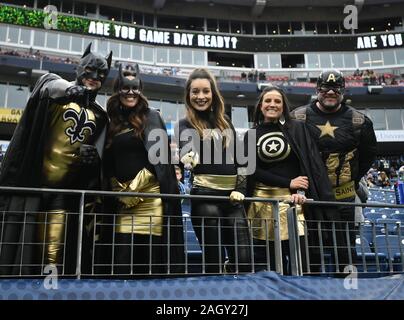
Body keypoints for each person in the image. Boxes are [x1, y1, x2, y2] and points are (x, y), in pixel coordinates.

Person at [0, 43, 111, 275]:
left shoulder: (100, 116)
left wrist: (93, 159)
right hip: (32, 184)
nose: (94, 77)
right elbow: (49, 86)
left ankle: (49, 291)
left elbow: (98, 164)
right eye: (89, 70)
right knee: (20, 247)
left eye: (101, 74)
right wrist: (68, 90)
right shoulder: (54, 87)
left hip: (65, 192)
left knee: (53, 252)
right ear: (79, 68)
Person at [245, 86, 338, 275]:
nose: (272, 104)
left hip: (293, 205)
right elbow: (251, 170)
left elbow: (307, 168)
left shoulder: (296, 129)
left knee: (300, 262)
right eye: (268, 101)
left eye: (277, 101)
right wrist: (288, 183)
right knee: (268, 266)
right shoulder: (250, 134)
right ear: (260, 106)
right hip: (261, 205)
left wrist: (299, 192)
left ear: (283, 106)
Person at [291, 69, 377, 268]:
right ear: (317, 90)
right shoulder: (298, 117)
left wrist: (350, 178)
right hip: (310, 199)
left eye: (336, 89)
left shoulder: (360, 121)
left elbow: (367, 157)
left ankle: (347, 294)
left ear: (343, 91)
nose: (330, 92)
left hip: (344, 199)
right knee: (309, 253)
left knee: (345, 252)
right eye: (326, 88)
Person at [103, 63, 184, 275]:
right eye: (125, 88)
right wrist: (118, 189)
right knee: (121, 261)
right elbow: (108, 161)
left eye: (135, 88)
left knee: (149, 262)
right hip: (123, 201)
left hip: (149, 200)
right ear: (117, 90)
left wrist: (135, 188)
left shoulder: (152, 116)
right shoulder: (111, 122)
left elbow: (160, 159)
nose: (130, 93)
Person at [175, 68, 251, 274]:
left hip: (232, 199)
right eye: (195, 92)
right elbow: (186, 146)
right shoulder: (184, 124)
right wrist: (188, 156)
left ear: (213, 93)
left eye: (205, 91)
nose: (201, 97)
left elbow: (241, 160)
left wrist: (242, 189)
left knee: (244, 261)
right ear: (188, 95)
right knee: (214, 262)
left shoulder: (226, 122)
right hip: (205, 198)